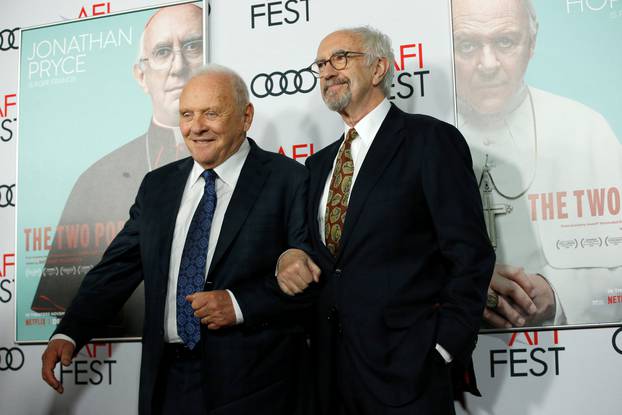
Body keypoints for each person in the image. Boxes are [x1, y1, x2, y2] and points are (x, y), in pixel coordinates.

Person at [41, 65, 313, 415]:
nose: (196, 127)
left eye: (211, 113)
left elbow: (308, 279)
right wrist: (70, 332)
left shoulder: (288, 178)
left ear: (246, 117)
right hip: (167, 382)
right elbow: (116, 270)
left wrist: (239, 304)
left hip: (254, 385)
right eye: (187, 114)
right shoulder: (157, 186)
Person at [276, 26, 495, 414]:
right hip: (330, 375)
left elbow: (470, 253)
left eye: (340, 58)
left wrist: (444, 346)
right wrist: (288, 256)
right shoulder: (318, 164)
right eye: (321, 64)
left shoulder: (430, 141)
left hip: (409, 370)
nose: (327, 71)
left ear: (379, 69)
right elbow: (320, 255)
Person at [31, 3, 204, 338]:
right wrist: (69, 334)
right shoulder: (96, 179)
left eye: (193, 47)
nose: (178, 66)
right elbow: (109, 273)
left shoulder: (261, 172)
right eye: (163, 51)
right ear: (141, 75)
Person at [452, 0, 622, 328]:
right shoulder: (420, 139)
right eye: (468, 45)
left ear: (532, 43)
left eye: (505, 42)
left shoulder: (584, 128)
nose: (488, 64)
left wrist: (557, 293)